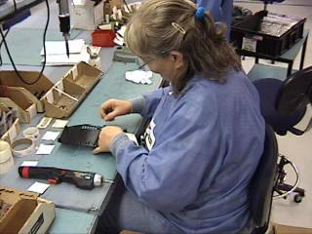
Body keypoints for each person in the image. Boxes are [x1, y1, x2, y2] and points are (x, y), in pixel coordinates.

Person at [94, 0, 265, 233]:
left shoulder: (201, 111)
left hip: (198, 223)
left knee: (99, 207)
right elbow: (176, 93)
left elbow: (158, 190)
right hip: (221, 200)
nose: (150, 67)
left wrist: (118, 143)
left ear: (175, 58)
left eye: (149, 60)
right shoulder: (219, 64)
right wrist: (137, 104)